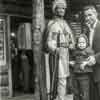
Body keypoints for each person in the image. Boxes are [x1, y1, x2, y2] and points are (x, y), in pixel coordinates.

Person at [46, 0, 75, 100]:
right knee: (58, 79)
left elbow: (72, 39)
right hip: (56, 56)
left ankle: (61, 98)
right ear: (55, 9)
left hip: (65, 55)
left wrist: (71, 44)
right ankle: (57, 98)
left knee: (64, 79)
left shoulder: (66, 24)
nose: (62, 10)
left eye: (63, 8)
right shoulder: (52, 24)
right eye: (60, 8)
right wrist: (55, 48)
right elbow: (49, 41)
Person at [70, 34, 95, 100]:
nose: (81, 44)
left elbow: (92, 61)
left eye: (83, 42)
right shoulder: (75, 51)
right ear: (77, 43)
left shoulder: (89, 51)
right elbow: (74, 59)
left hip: (85, 75)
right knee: (76, 92)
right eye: (79, 42)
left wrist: (86, 63)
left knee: (84, 93)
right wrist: (72, 62)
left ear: (87, 43)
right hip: (76, 74)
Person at [83, 5, 100, 100]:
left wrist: (95, 58)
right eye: (86, 16)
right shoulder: (86, 30)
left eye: (90, 15)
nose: (87, 18)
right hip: (90, 72)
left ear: (96, 14)